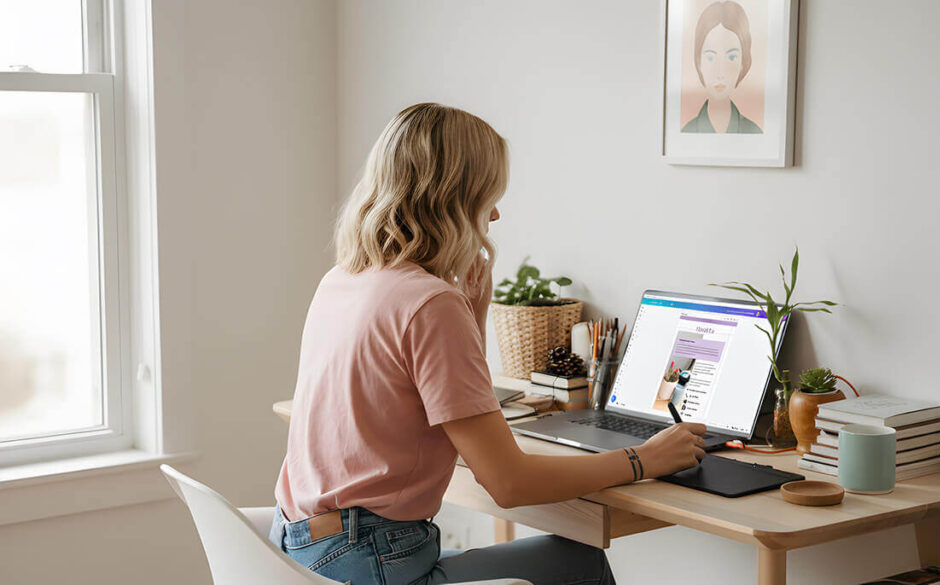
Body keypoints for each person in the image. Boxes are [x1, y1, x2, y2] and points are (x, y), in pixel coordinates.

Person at [270, 103, 707, 585]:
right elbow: (507, 483)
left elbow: (429, 399)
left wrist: (472, 313)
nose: (495, 213)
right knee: (580, 564)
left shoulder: (344, 278)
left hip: (301, 551)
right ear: (454, 198)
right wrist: (642, 459)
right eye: (488, 197)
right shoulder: (428, 303)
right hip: (368, 562)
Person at [682, 1, 763, 134]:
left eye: (731, 58)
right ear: (699, 62)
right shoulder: (686, 132)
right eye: (710, 58)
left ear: (743, 62)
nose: (720, 72)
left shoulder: (755, 132)